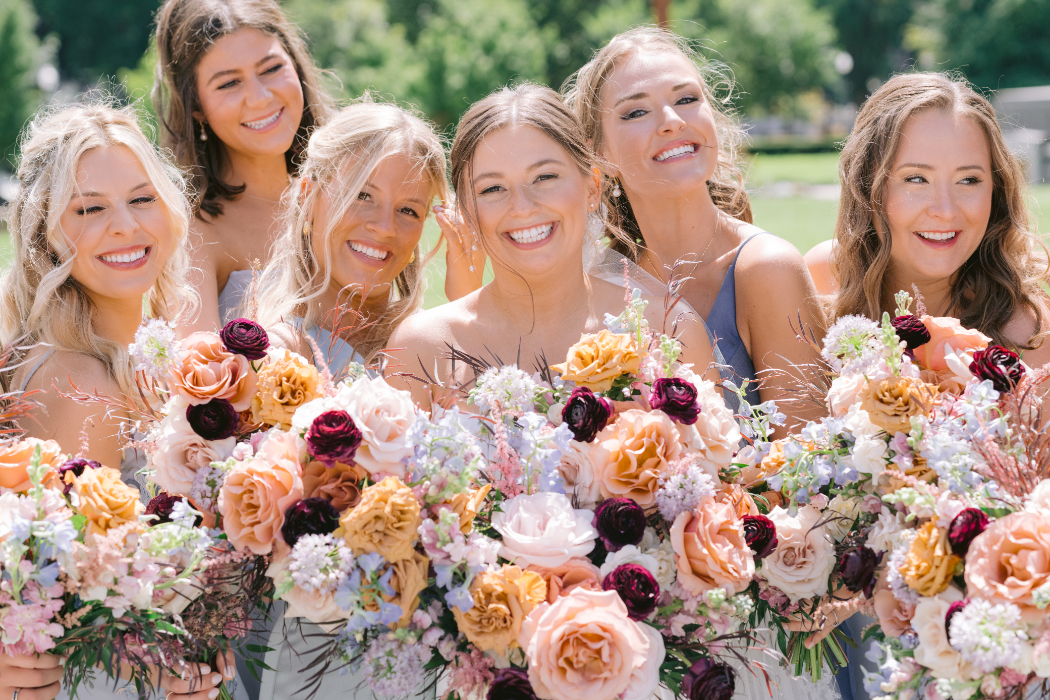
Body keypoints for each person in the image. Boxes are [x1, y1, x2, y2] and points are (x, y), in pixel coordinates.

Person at [0, 102, 236, 700]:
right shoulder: (79, 382)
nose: (126, 225)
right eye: (89, 209)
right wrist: (157, 665)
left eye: (141, 198)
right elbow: (64, 592)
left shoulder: (140, 355)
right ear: (46, 235)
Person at [250, 99, 449, 700]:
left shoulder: (426, 345)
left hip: (415, 654)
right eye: (362, 195)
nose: (384, 227)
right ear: (309, 196)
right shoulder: (273, 355)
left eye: (408, 210)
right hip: (305, 655)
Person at [387, 83, 718, 409]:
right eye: (492, 189)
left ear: (592, 187)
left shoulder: (668, 333)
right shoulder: (421, 350)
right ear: (468, 213)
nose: (523, 206)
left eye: (544, 177)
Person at [563, 27, 827, 426]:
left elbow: (807, 468)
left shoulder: (767, 268)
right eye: (636, 112)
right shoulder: (591, 286)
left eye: (687, 99)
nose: (671, 121)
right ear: (597, 152)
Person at [804, 72, 1050, 368]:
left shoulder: (1029, 335)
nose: (945, 210)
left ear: (996, 190)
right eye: (917, 179)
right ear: (866, 185)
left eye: (969, 180)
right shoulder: (819, 280)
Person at [153, 0, 333, 331]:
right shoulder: (194, 231)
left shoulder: (347, 196)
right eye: (228, 84)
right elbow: (197, 372)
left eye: (271, 69)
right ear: (197, 109)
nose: (261, 97)